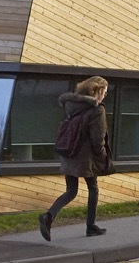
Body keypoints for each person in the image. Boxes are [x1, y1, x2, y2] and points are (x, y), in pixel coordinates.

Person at [38, 76, 111, 240]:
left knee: (71, 190)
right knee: (93, 189)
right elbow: (98, 139)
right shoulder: (97, 110)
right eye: (104, 92)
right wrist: (103, 157)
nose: (105, 96)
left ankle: (48, 216)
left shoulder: (72, 105)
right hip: (86, 159)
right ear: (97, 90)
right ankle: (91, 226)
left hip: (69, 154)